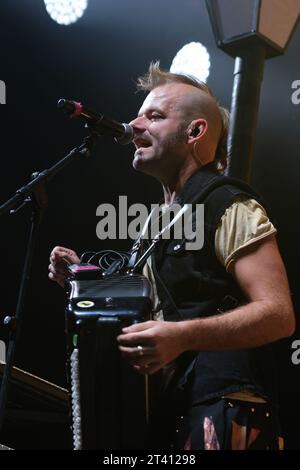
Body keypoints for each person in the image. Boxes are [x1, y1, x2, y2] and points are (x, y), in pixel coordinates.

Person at [48, 62, 295, 450]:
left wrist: (180, 337)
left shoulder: (230, 206)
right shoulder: (155, 227)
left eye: (155, 116)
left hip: (224, 413)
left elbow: (279, 314)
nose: (134, 125)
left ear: (195, 132)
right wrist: (82, 278)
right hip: (172, 416)